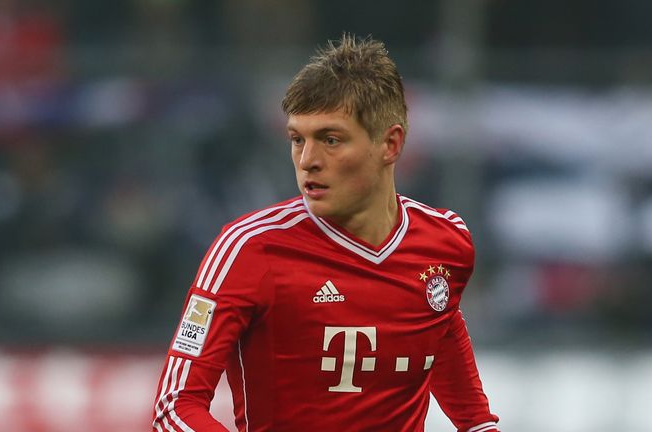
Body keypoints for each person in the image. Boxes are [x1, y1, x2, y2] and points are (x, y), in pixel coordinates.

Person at [152, 34, 499, 432]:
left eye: (330, 140)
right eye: (297, 140)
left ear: (390, 143)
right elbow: (175, 406)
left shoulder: (445, 243)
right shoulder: (249, 250)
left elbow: (438, 323)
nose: (308, 161)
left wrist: (478, 426)